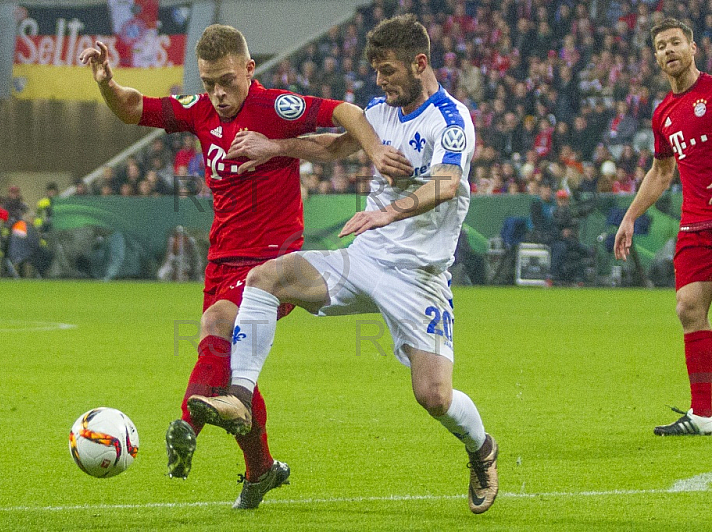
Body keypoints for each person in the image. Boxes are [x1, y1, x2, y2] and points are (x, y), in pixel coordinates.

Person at [79, 24, 411, 509]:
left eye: (228, 81)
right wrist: (107, 82)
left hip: (273, 263)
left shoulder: (274, 107)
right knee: (232, 366)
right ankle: (261, 471)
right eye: (210, 81)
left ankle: (185, 428)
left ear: (250, 71)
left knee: (216, 324)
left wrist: (374, 149)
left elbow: (347, 112)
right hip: (223, 258)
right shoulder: (198, 112)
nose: (218, 93)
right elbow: (134, 108)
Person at [188, 15, 499, 514]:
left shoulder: (452, 119)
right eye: (376, 70)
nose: (380, 80)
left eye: (388, 70)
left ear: (420, 64)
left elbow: (445, 184)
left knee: (435, 397)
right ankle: (240, 398)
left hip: (419, 278)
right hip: (364, 259)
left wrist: (387, 212)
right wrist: (275, 147)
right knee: (265, 278)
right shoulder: (381, 112)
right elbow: (333, 146)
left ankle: (481, 449)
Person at [614, 18, 712, 436]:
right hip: (695, 226)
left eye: (676, 42)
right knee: (689, 309)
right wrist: (630, 216)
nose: (669, 50)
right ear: (655, 58)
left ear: (694, 48)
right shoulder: (663, 115)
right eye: (661, 45)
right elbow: (661, 171)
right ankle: (705, 415)